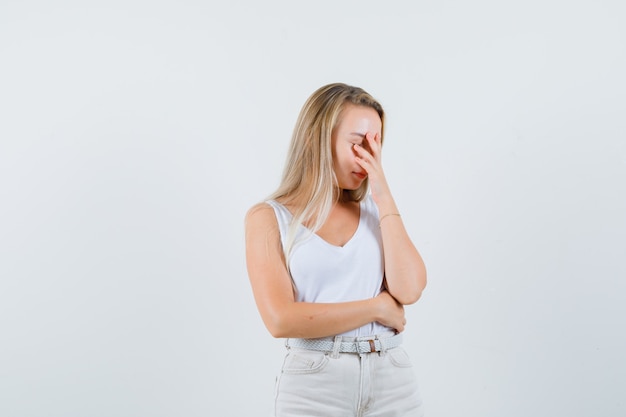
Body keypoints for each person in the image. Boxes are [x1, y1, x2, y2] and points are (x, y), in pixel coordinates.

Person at [245, 82, 427, 416]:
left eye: (376, 144)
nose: (369, 157)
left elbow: (410, 289)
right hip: (314, 385)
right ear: (319, 137)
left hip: (393, 378)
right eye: (359, 143)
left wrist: (383, 194)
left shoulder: (377, 214)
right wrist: (376, 308)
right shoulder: (270, 218)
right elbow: (280, 319)